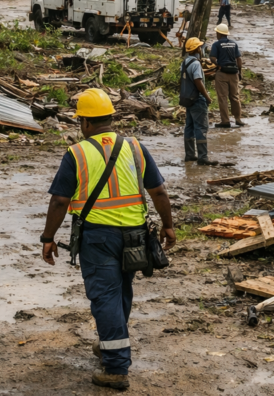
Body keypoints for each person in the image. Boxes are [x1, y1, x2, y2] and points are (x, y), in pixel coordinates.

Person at [40, 89, 176, 391]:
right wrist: (168, 226)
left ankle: (116, 368)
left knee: (105, 297)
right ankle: (110, 346)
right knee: (122, 292)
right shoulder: (135, 148)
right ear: (111, 119)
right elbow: (159, 192)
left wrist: (48, 237)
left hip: (98, 237)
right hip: (135, 235)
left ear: (85, 123)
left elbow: (60, 201)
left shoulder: (77, 153)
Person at [179, 38, 218, 165]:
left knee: (189, 127)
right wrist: (207, 97)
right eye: (200, 47)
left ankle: (190, 155)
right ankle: (203, 157)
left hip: (188, 99)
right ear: (196, 49)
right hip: (197, 100)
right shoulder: (195, 64)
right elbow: (198, 81)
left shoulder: (184, 63)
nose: (202, 49)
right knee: (201, 128)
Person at [209, 24, 245, 129]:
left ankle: (225, 121)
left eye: (217, 32)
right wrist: (240, 72)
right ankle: (238, 119)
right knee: (234, 97)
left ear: (219, 34)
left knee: (222, 97)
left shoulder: (216, 45)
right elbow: (239, 59)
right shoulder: (234, 44)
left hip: (222, 73)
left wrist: (217, 64)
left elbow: (212, 58)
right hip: (234, 73)